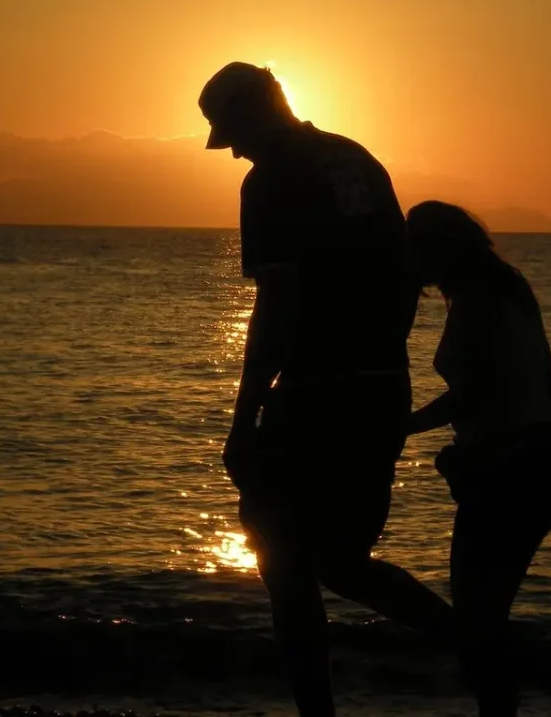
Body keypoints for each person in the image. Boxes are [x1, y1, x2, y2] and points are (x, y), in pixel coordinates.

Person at [198, 62, 452, 717]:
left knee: (278, 547)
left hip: (318, 392)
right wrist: (384, 362)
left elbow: (277, 306)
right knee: (340, 561)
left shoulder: (271, 182)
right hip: (378, 387)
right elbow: (406, 279)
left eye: (234, 135)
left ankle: (319, 716)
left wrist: (245, 416)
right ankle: (492, 652)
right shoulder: (358, 161)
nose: (236, 152)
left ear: (260, 109)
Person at [405, 200, 551, 717]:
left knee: (476, 622)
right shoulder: (505, 290)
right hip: (530, 468)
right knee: (483, 620)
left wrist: (406, 426)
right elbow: (549, 388)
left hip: (505, 473)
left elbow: (476, 392)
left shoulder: (479, 302)